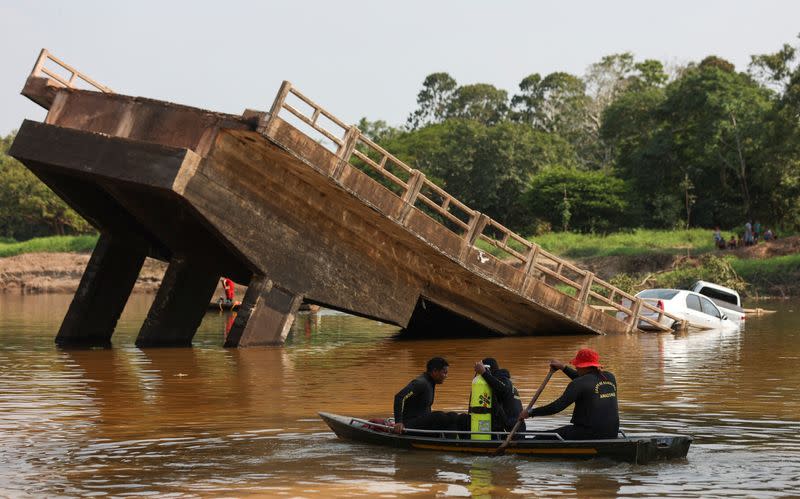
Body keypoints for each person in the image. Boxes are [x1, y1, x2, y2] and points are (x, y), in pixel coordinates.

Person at [518, 348, 619, 440]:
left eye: (577, 365)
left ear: (582, 366)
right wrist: (563, 367)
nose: (575, 367)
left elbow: (556, 407)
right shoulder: (610, 377)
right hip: (611, 432)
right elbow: (585, 381)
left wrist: (531, 412)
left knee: (539, 438)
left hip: (587, 433)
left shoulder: (578, 383)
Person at [393, 357, 468, 434]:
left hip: (422, 423)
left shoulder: (430, 382)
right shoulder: (421, 383)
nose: (446, 376)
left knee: (454, 416)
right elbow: (399, 397)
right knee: (439, 416)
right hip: (409, 424)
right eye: (444, 373)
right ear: (434, 371)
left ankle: (458, 439)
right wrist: (398, 422)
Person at [473, 358, 525, 435]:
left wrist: (484, 373)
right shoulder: (502, 381)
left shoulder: (502, 380)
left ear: (487, 369)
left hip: (511, 429)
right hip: (511, 427)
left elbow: (501, 388)